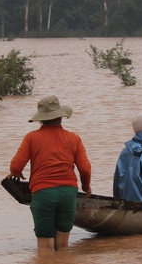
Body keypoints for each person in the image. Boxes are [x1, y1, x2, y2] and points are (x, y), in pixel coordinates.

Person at [9, 95, 92, 253]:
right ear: (61, 116)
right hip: (68, 193)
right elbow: (85, 169)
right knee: (62, 246)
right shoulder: (74, 138)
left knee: (45, 246)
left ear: (41, 119)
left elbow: (15, 165)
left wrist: (16, 173)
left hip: (43, 192)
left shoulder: (31, 138)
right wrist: (86, 187)